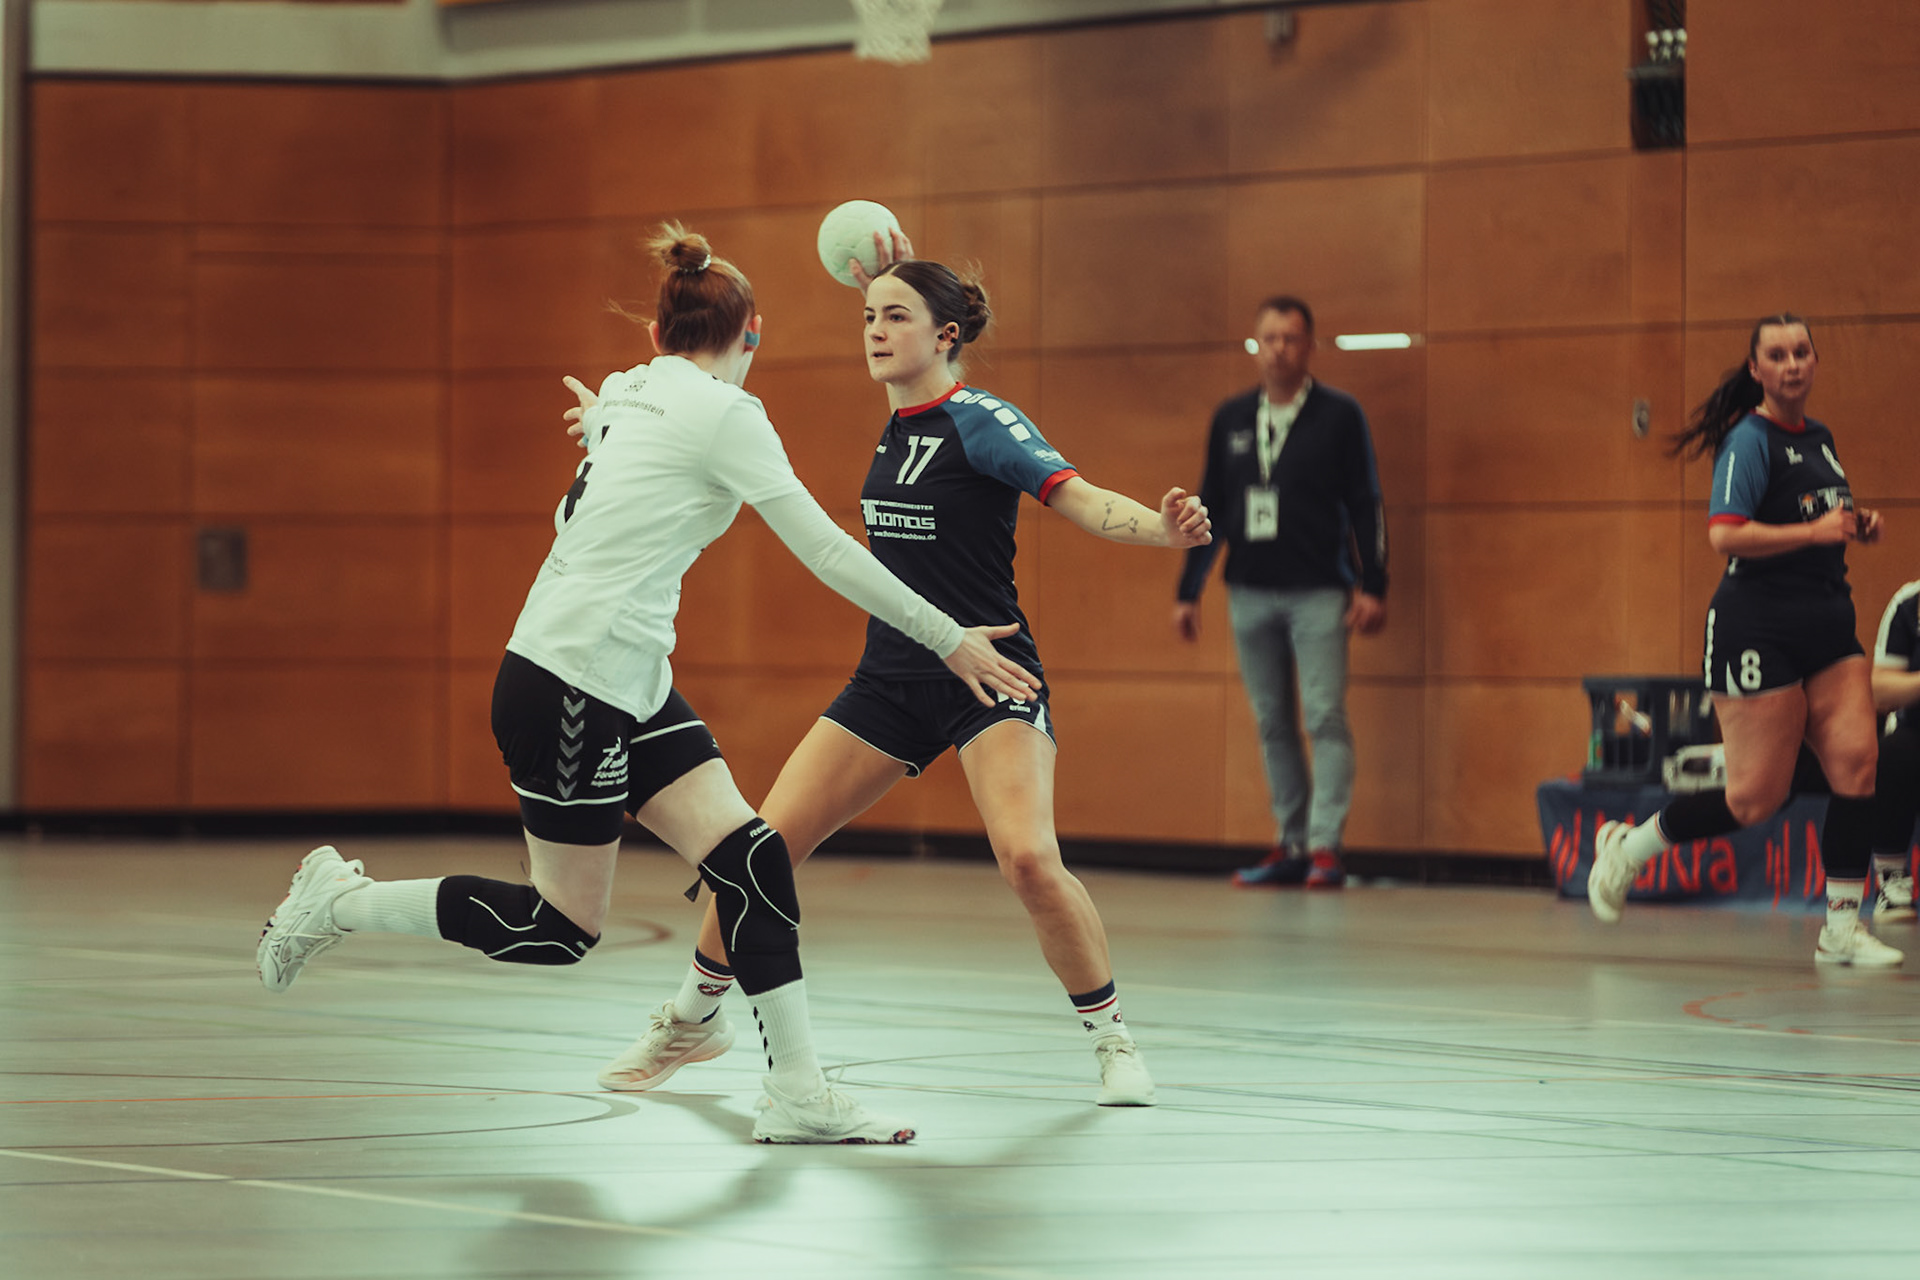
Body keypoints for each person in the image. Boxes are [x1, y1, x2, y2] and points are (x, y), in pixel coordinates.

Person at [255, 225, 1044, 1144]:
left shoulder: (628, 391)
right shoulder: (722, 413)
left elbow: (580, 508)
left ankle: (797, 1092)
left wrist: (605, 432)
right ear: (752, 334)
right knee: (557, 928)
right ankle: (338, 902)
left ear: (660, 332)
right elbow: (827, 550)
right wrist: (949, 638)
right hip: (570, 686)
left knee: (752, 860)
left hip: (623, 678)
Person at [586, 240, 1211, 1108]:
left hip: (987, 676)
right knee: (759, 850)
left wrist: (1161, 530)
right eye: (869, 316)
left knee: (1029, 858)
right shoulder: (896, 426)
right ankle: (691, 1021)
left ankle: (1113, 1042)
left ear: (946, 334)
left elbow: (1081, 498)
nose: (875, 331)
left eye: (896, 317)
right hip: (888, 679)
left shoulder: (982, 421)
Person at [1587, 313, 1900, 967]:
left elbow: (1814, 511)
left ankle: (1841, 928)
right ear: (1756, 370)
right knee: (1757, 798)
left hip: (1827, 626)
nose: (1792, 364)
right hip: (1756, 630)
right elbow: (1725, 533)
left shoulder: (1820, 438)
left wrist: (1854, 523)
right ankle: (1629, 848)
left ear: (1815, 361)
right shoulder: (1748, 441)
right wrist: (1814, 534)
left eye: (1801, 352)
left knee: (1858, 763)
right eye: (1777, 355)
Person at [1172, 296, 1387, 890]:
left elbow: (1366, 501)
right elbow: (1210, 504)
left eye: (1291, 339)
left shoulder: (1339, 415)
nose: (1280, 350)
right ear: (1256, 346)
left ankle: (1325, 846)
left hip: (1319, 591)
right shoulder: (1233, 418)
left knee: (1324, 714)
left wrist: (1374, 582)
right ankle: (1291, 842)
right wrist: (1189, 589)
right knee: (1272, 721)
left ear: (1309, 346)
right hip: (1249, 590)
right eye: (1269, 339)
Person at [1869, 580, 1920, 922]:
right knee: (1893, 752)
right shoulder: (1909, 603)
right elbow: (1881, 691)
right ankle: (1891, 880)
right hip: (1914, 737)